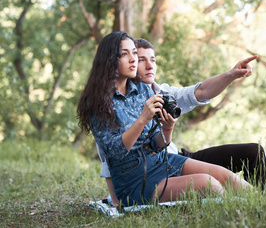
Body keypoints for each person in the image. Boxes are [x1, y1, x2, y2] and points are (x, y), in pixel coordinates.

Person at [77, 31, 254, 206]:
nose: (132, 59)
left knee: (228, 178)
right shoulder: (97, 103)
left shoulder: (143, 89)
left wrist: (168, 128)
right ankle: (238, 213)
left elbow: (156, 144)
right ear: (109, 60)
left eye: (134, 53)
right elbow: (114, 153)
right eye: (124, 54)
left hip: (163, 160)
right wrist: (143, 119)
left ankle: (262, 207)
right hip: (135, 180)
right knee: (209, 184)